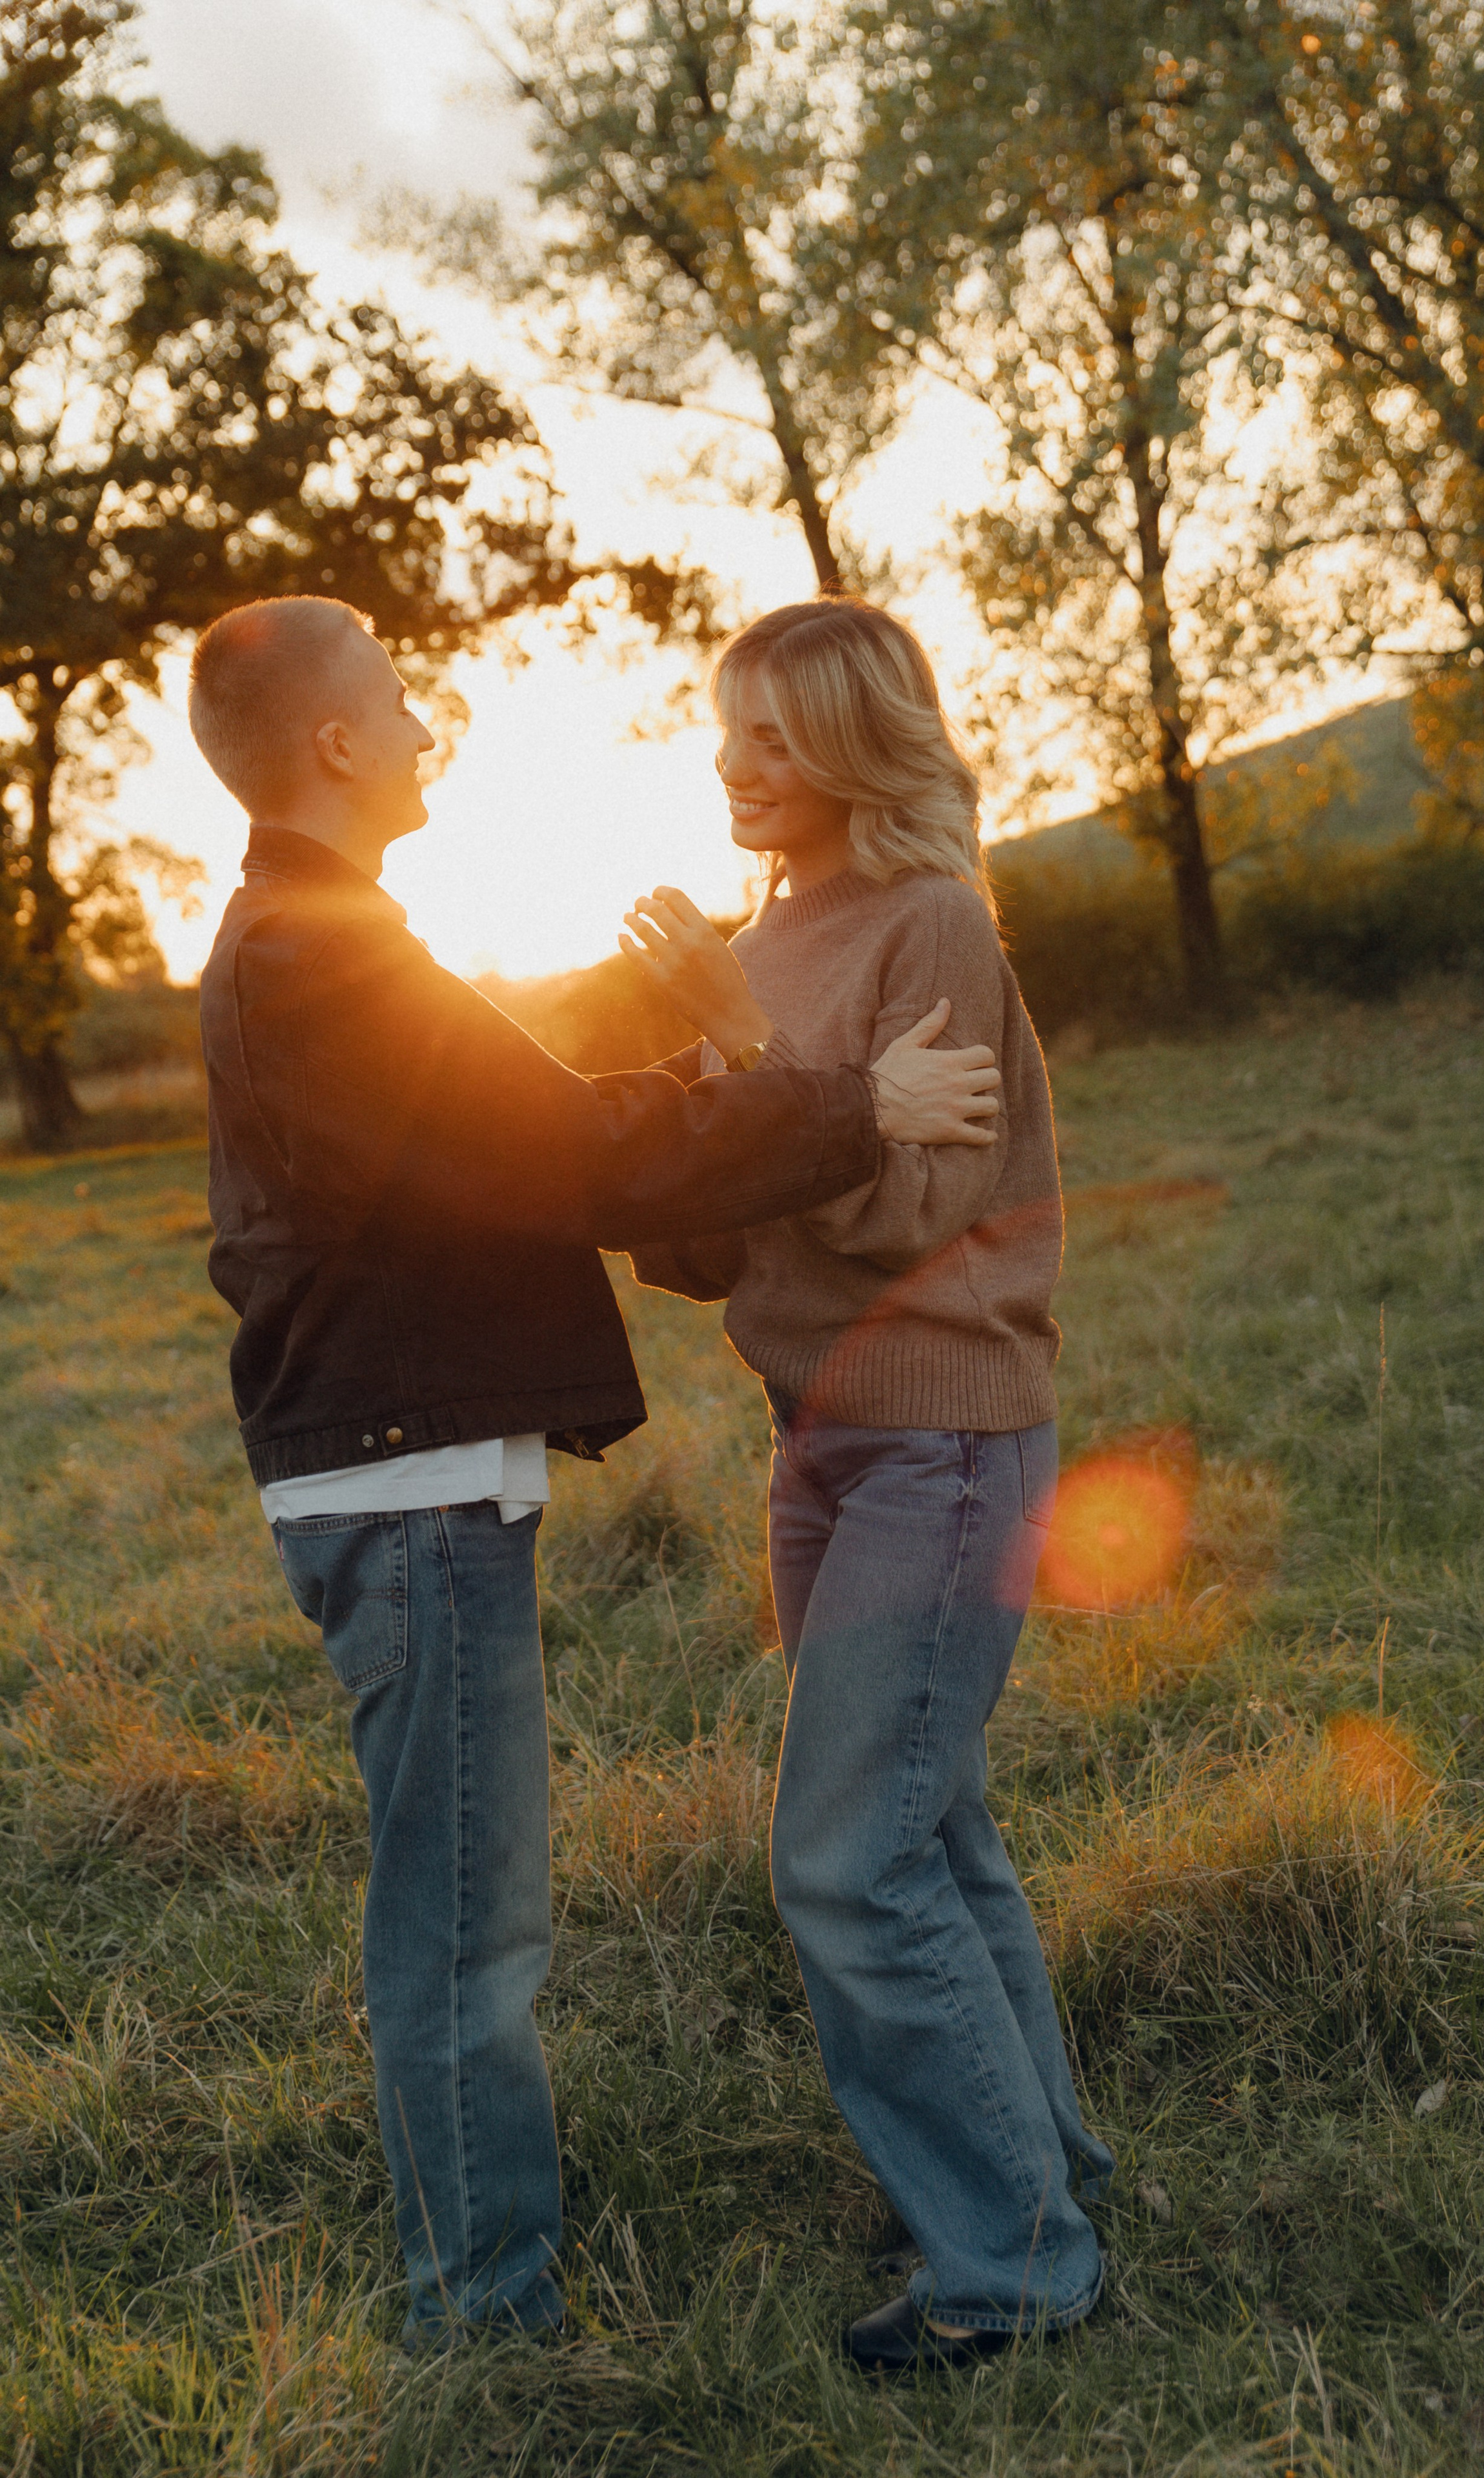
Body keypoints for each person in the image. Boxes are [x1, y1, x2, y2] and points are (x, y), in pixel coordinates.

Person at [186, 594, 1003, 2351]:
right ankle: (486, 2319)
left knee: (473, 1914)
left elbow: (531, 1123)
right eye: (397, 700)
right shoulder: (318, 949)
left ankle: (497, 2282)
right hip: (400, 1489)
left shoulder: (323, 937)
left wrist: (727, 1053)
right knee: (465, 1929)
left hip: (411, 1476)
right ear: (334, 743)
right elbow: (558, 1143)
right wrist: (853, 1107)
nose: (422, 727)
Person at [621, 596, 1112, 2377]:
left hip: (945, 1433)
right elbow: (705, 1233)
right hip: (816, 1440)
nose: (733, 764)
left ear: (848, 747)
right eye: (724, 729)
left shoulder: (932, 929)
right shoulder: (760, 938)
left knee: (845, 1858)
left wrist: (740, 1053)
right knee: (934, 1831)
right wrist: (673, 1089)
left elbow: (908, 1220)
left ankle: (1017, 2268)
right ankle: (1036, 2170)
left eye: (768, 735)